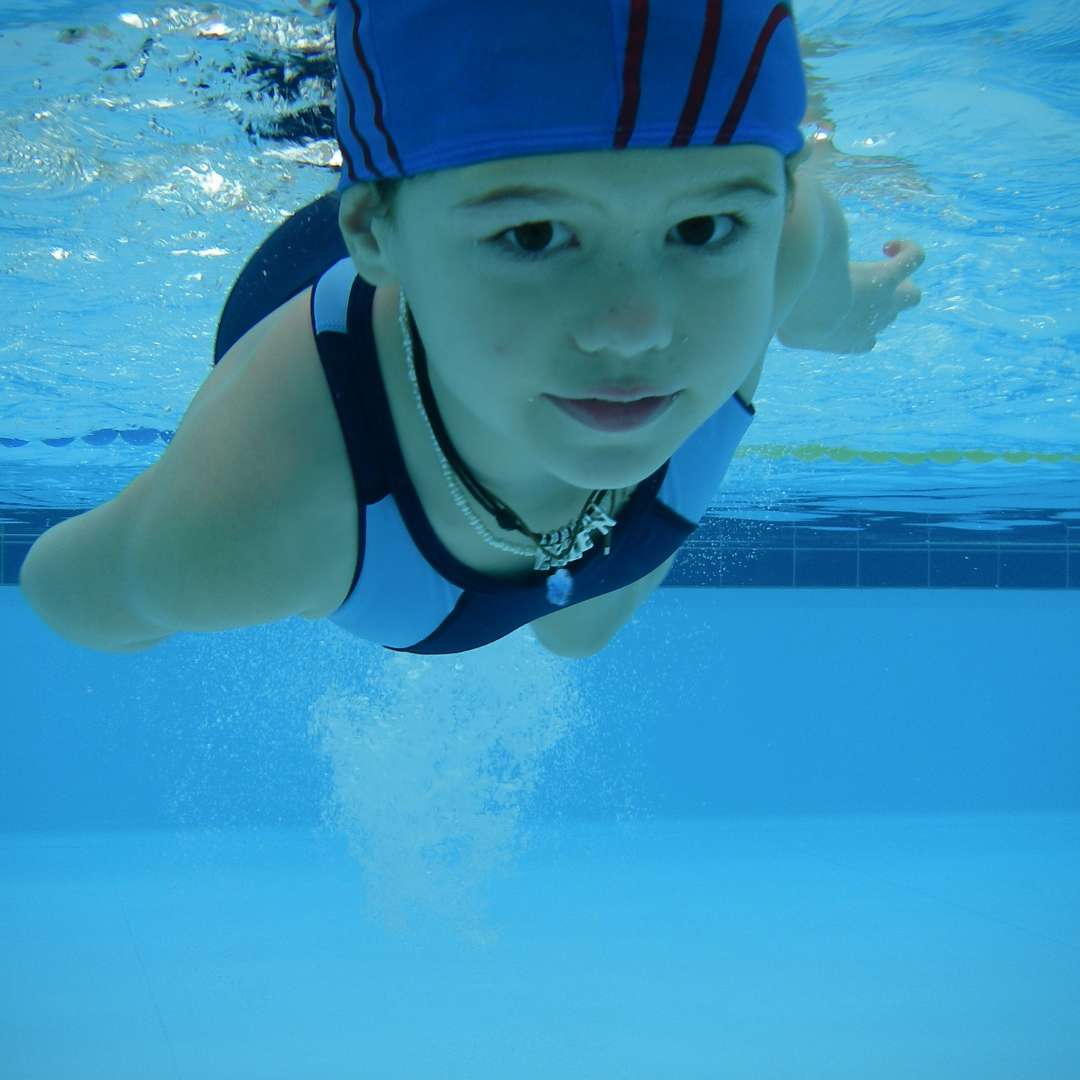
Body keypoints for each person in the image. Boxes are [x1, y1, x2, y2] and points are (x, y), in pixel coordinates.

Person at [20, 0, 923, 659]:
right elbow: (64, 594)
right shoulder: (257, 524)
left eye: (702, 229)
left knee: (578, 635)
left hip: (571, 486)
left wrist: (848, 308)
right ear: (375, 232)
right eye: (533, 235)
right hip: (366, 441)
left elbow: (819, 297)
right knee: (575, 626)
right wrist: (183, 530)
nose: (635, 331)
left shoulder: (788, 238)